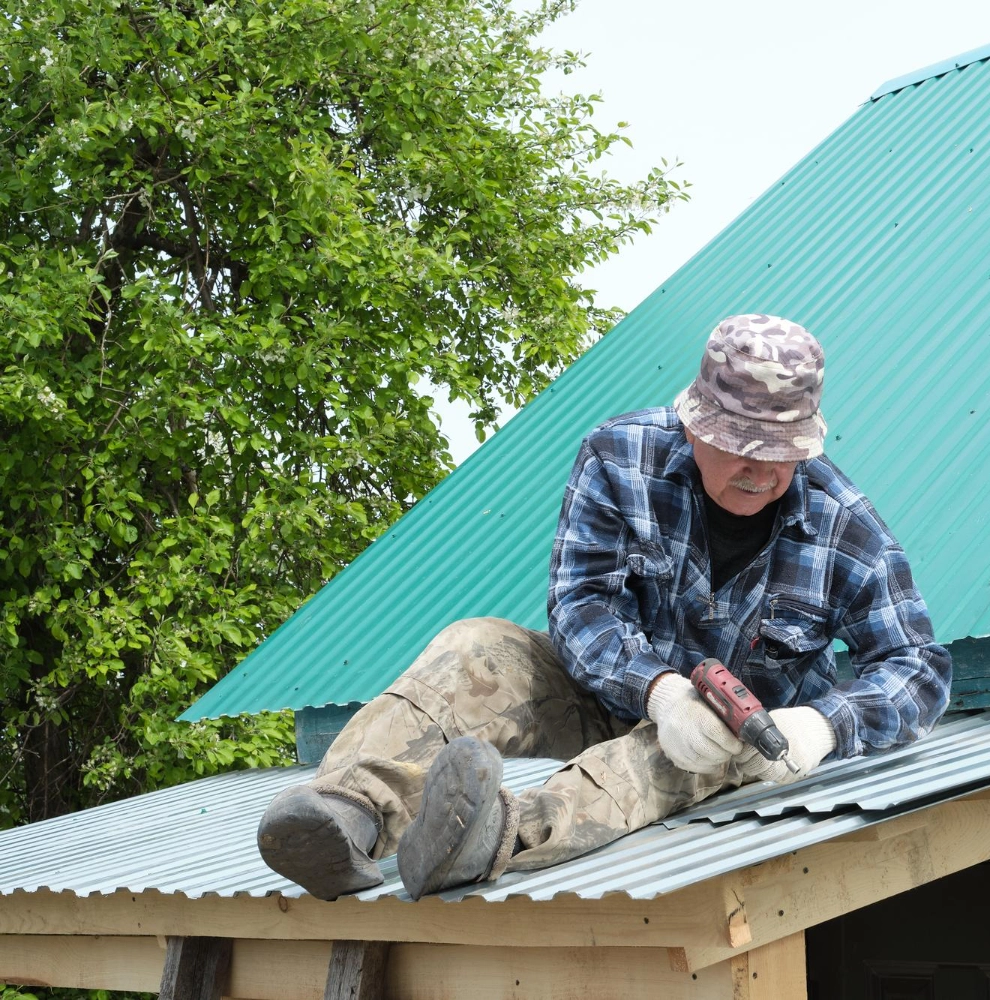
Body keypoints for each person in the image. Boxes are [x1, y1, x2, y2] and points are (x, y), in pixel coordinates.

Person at [256, 314, 952, 901]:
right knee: (478, 646)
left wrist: (820, 728)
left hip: (735, 741)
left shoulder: (841, 523)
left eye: (782, 454)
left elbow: (919, 668)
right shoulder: (620, 457)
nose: (760, 471)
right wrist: (660, 691)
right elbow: (579, 604)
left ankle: (489, 838)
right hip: (607, 694)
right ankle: (342, 813)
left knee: (691, 754)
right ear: (695, 421)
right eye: (741, 446)